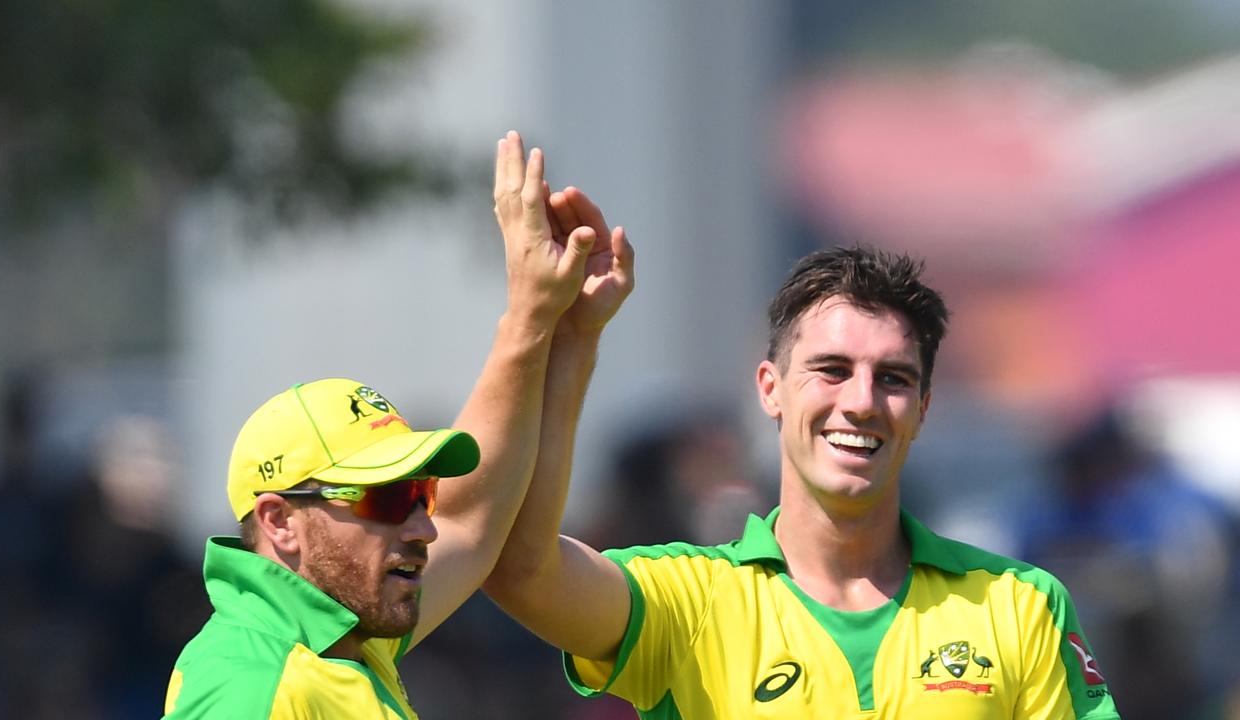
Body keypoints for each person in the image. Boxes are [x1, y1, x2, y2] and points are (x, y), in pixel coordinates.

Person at [479, 246, 1121, 718]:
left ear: (923, 408)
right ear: (771, 389)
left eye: (893, 378)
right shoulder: (692, 601)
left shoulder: (1020, 605)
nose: (862, 403)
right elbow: (522, 569)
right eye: (832, 370)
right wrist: (559, 333)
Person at [162, 130, 634, 719]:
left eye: (419, 494)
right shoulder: (257, 687)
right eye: (385, 500)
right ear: (280, 521)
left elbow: (472, 516)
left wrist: (554, 325)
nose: (424, 529)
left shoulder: (342, 633)